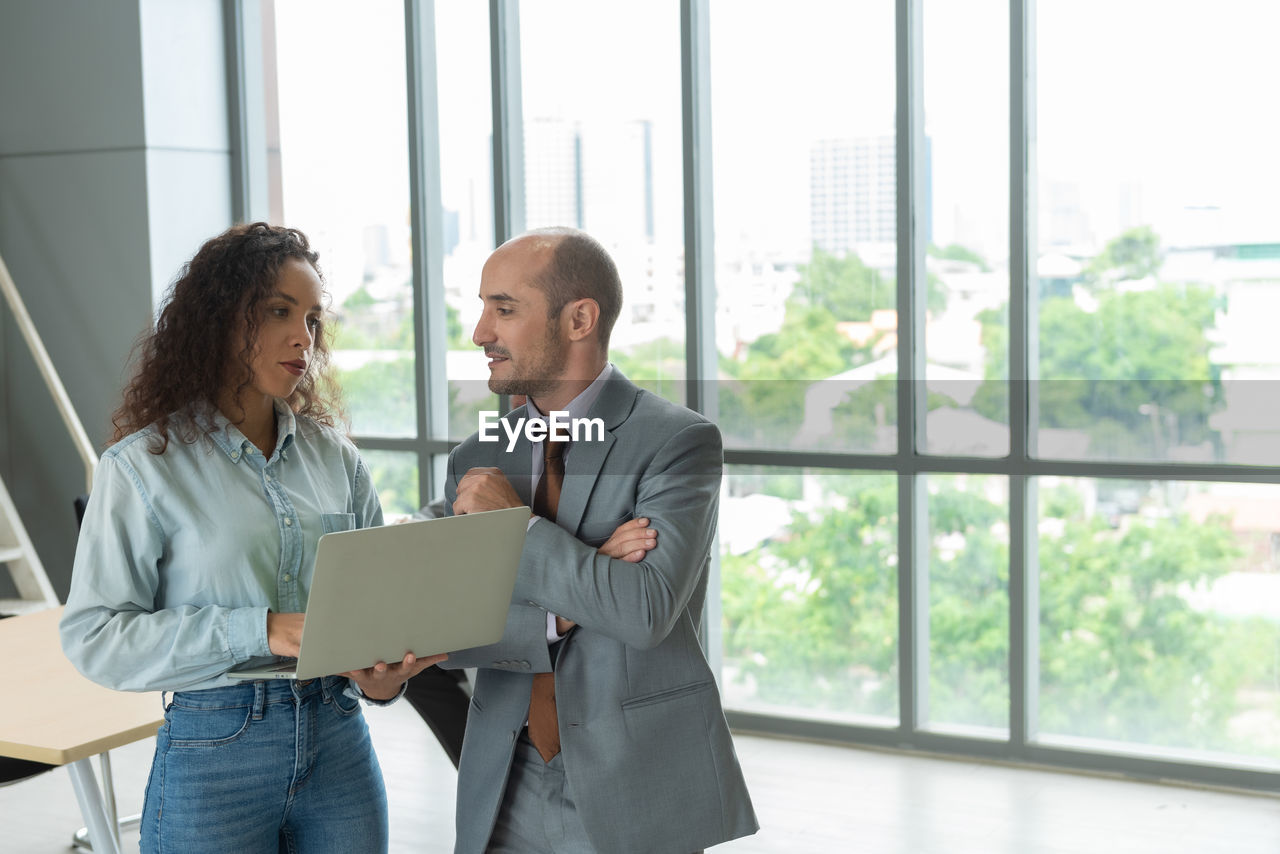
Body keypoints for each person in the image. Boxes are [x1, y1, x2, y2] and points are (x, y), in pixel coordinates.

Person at [59, 222, 443, 854]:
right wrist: (264, 629)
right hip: (217, 750)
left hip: (339, 738)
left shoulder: (336, 460)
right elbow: (96, 637)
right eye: (278, 312)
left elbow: (379, 617)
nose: (304, 337)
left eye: (314, 319)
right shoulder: (141, 467)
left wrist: (384, 679)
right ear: (220, 320)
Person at [442, 227, 758, 853]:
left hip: (634, 782)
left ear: (579, 318)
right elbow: (452, 630)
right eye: (482, 309)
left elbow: (643, 612)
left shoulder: (677, 443)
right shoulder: (475, 459)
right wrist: (578, 592)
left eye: (503, 309)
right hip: (505, 779)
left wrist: (521, 531)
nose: (480, 332)